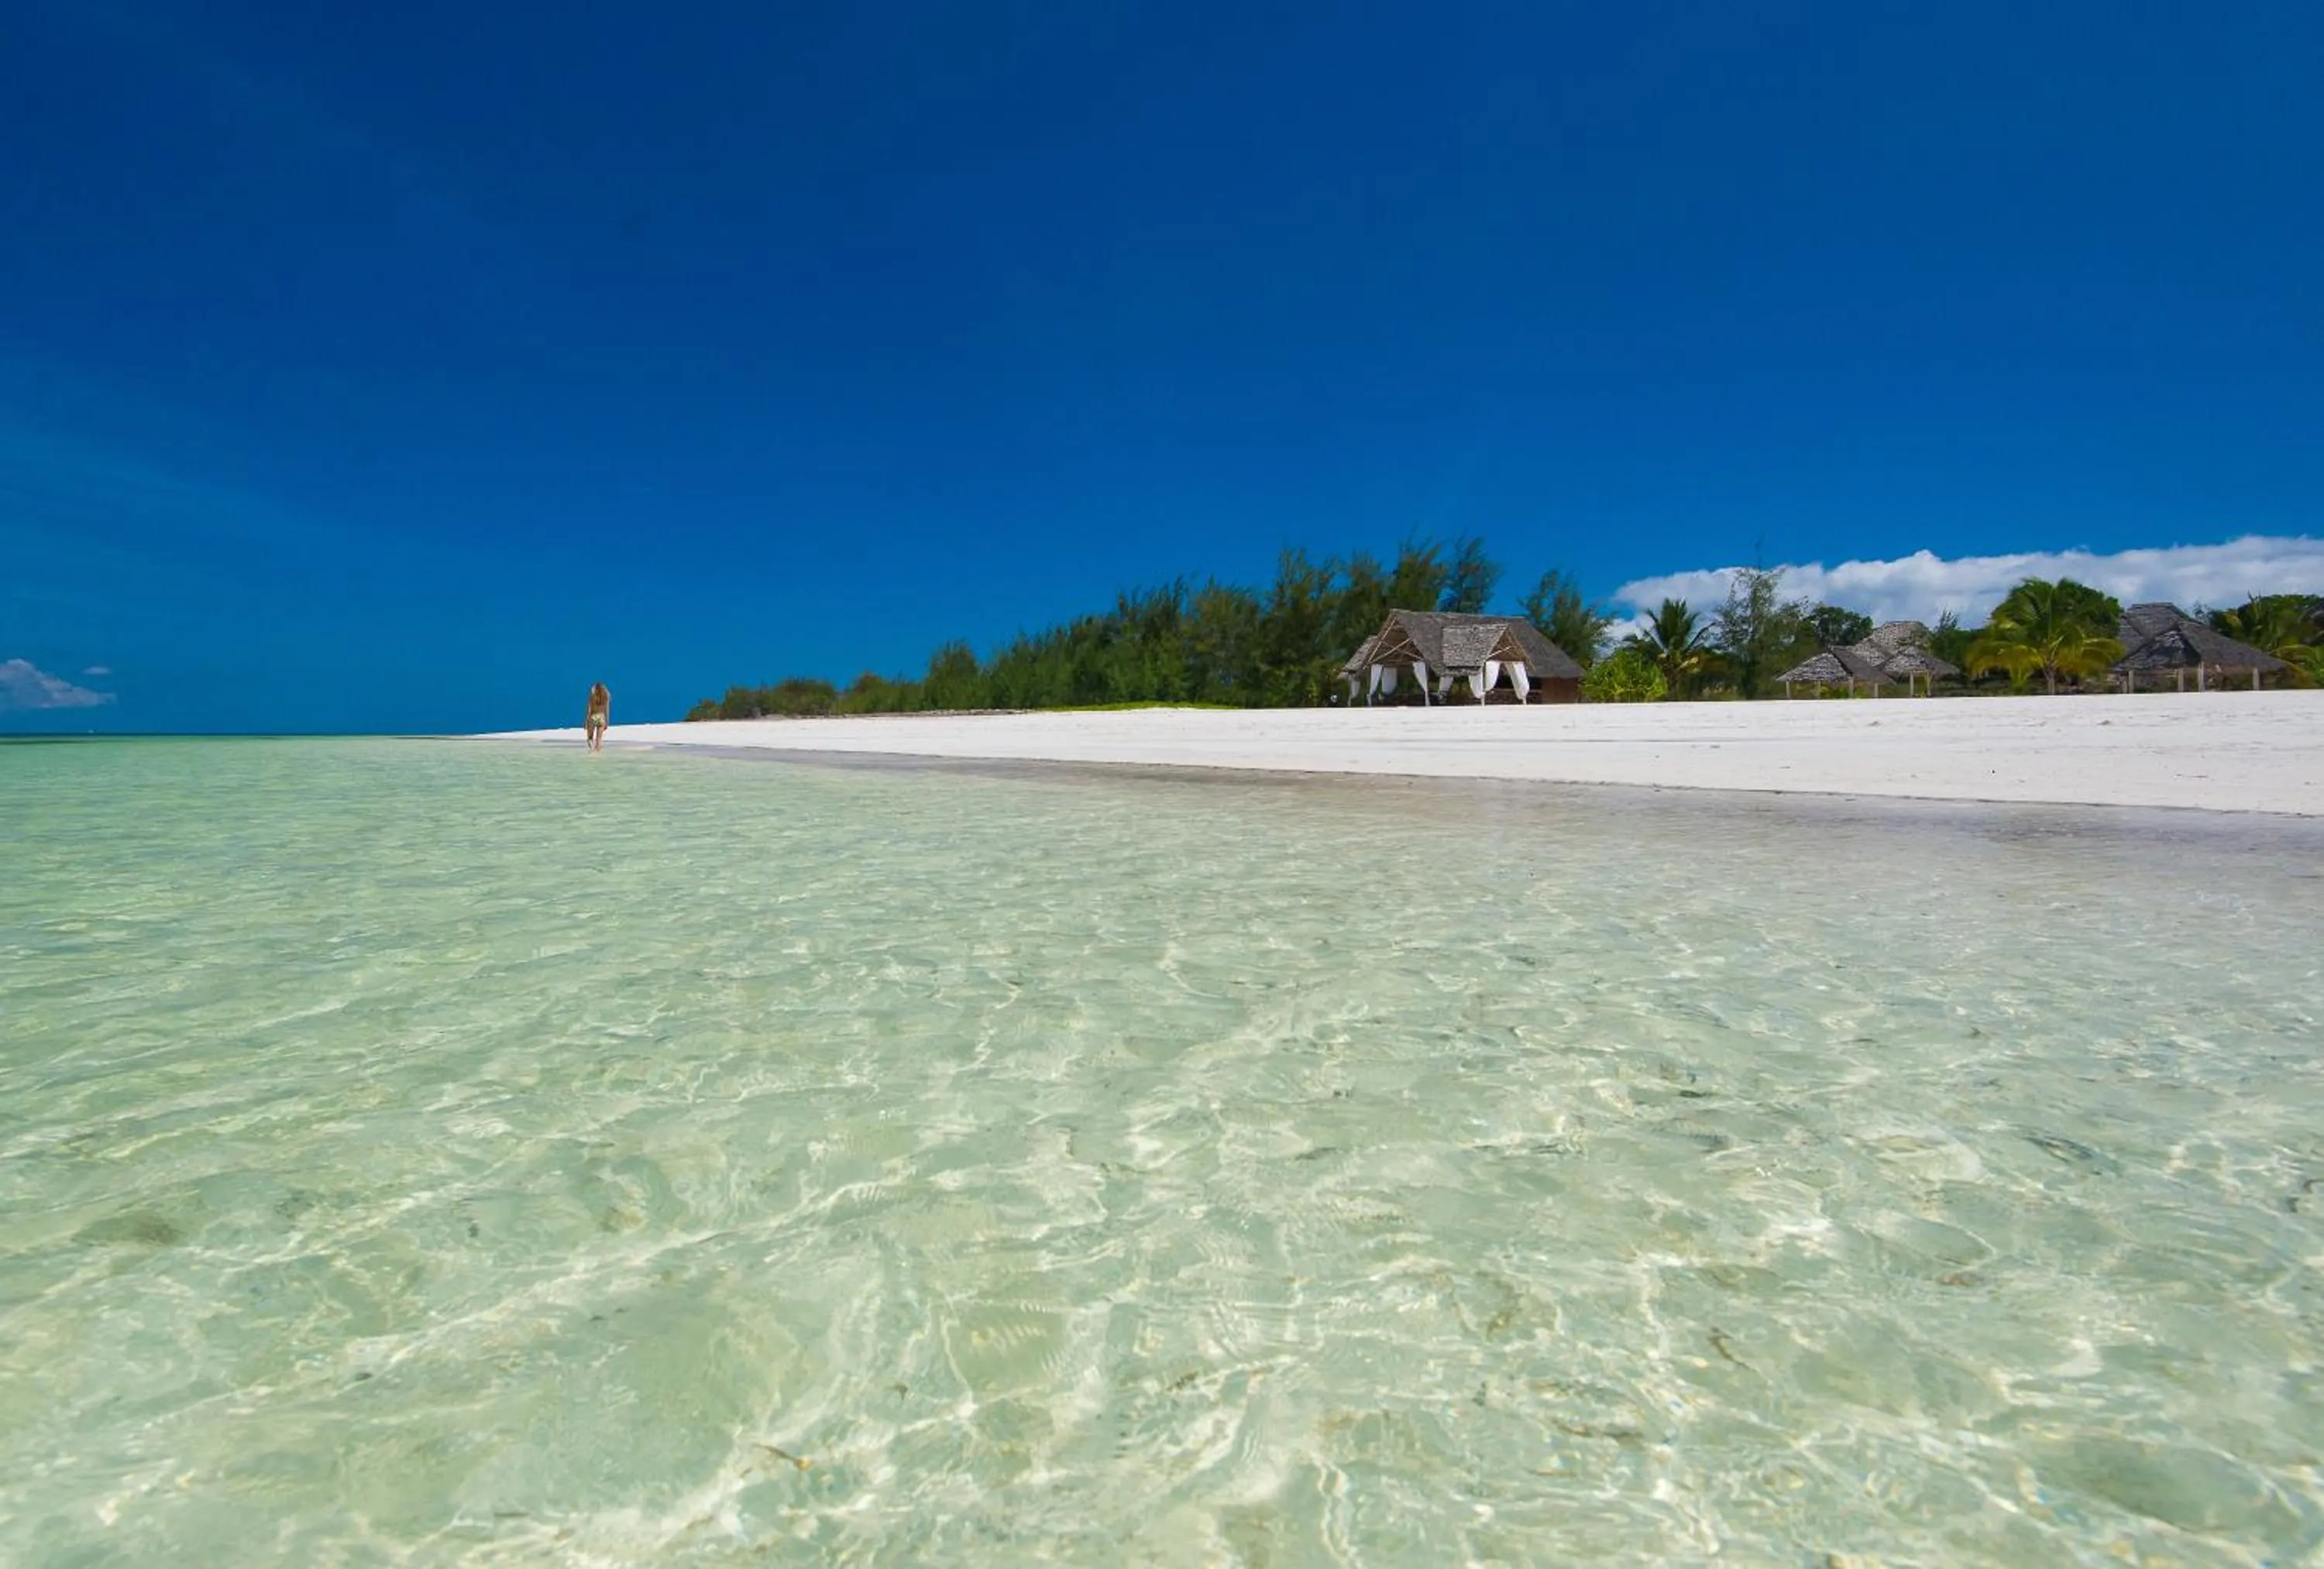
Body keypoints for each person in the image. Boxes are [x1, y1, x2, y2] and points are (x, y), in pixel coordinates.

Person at [585, 682, 610, 751]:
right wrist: (607, 722)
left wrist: (586, 721)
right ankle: (598, 755)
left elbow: (589, 709)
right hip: (601, 717)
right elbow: (607, 710)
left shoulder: (593, 696)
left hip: (593, 716)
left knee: (590, 738)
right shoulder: (606, 696)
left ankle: (592, 750)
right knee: (599, 739)